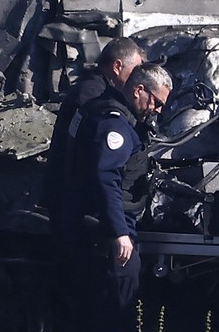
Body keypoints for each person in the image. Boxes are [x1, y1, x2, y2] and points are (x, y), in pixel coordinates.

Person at [62, 61, 171, 332]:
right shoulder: (114, 124)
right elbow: (105, 178)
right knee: (115, 313)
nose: (157, 111)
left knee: (100, 313)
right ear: (138, 90)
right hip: (107, 236)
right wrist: (119, 232)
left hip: (100, 231)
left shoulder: (113, 117)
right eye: (156, 102)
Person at [46, 36, 145, 231]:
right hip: (77, 205)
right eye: (135, 71)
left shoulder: (93, 90)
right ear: (117, 67)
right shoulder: (93, 97)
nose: (137, 80)